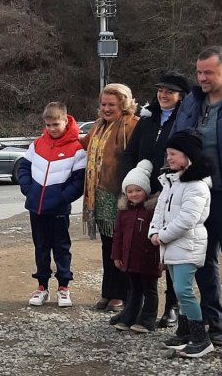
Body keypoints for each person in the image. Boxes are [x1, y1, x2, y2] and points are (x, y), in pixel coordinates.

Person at [119, 71, 191, 327]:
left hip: (169, 191)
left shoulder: (184, 120)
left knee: (168, 250)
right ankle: (133, 305)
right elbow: (130, 153)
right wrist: (130, 182)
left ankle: (171, 305)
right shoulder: (147, 120)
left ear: (180, 96)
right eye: (161, 90)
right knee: (138, 252)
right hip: (141, 193)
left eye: (169, 91)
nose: (163, 95)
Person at [171, 46, 222, 346]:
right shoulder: (192, 101)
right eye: (199, 72)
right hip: (197, 193)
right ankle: (213, 323)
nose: (202, 78)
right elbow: (178, 136)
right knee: (202, 261)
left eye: (209, 73)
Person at [149, 130, 214, 358]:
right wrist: (154, 231)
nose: (169, 158)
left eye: (174, 154)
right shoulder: (171, 181)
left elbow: (187, 219)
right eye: (168, 153)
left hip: (188, 245)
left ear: (188, 156)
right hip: (172, 246)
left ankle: (200, 338)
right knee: (179, 288)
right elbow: (159, 209)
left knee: (183, 290)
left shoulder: (196, 185)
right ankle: (185, 332)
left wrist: (163, 236)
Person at [17, 102, 86, 307]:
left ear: (66, 120)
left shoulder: (77, 147)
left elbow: (79, 180)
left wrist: (62, 198)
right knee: (41, 247)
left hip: (58, 209)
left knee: (61, 247)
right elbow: (23, 167)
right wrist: (28, 189)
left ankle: (63, 287)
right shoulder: (37, 144)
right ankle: (42, 286)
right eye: (48, 125)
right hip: (36, 207)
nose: (52, 129)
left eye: (56, 124)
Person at [81, 83, 139, 312]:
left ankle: (122, 294)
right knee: (108, 246)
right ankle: (109, 291)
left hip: (120, 194)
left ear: (123, 104)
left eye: (111, 104)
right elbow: (82, 146)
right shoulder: (98, 125)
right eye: (103, 104)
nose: (106, 108)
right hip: (99, 194)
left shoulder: (131, 125)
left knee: (123, 245)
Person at [111, 160, 161, 333]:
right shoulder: (124, 211)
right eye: (130, 191)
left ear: (146, 191)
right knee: (133, 290)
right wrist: (117, 256)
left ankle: (148, 320)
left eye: (138, 190)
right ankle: (129, 317)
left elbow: (159, 235)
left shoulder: (152, 211)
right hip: (129, 259)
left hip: (149, 259)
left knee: (150, 290)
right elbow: (118, 234)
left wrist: (162, 259)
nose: (133, 194)